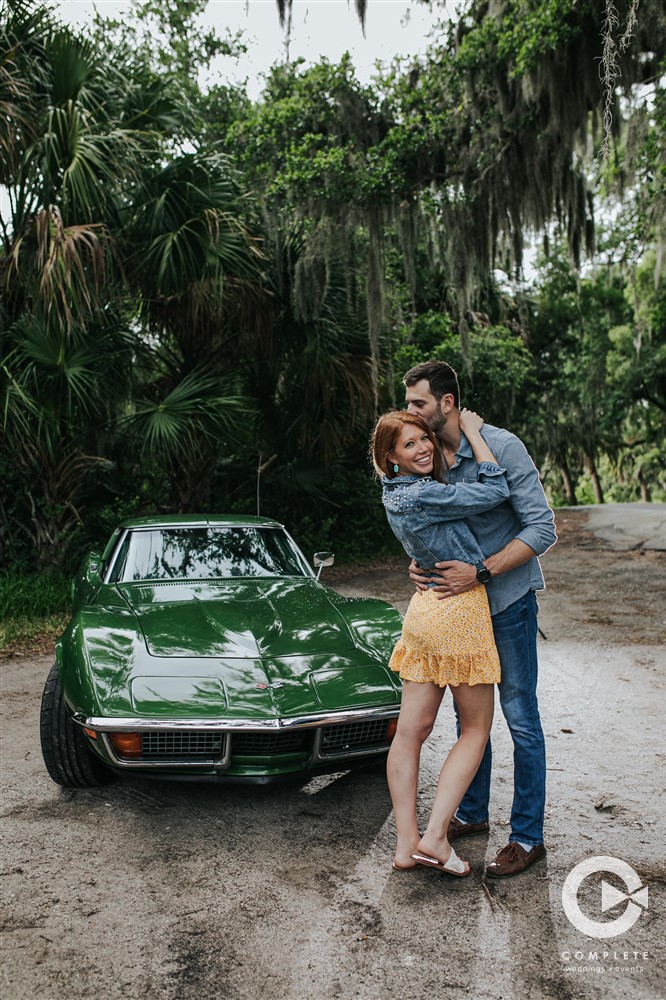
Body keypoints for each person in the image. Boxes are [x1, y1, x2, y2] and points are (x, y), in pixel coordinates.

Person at [403, 359, 557, 878]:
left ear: (447, 402)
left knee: (520, 717)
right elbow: (429, 518)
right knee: (471, 723)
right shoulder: (429, 457)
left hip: (507, 601)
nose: (411, 414)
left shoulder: (502, 446)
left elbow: (541, 528)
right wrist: (419, 559)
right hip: (459, 612)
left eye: (418, 403)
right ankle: (471, 813)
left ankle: (527, 837)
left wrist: (481, 573)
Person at [371, 408, 510, 875]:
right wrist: (472, 431)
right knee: (474, 730)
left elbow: (426, 543)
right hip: (458, 608)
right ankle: (435, 837)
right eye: (409, 445)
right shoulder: (426, 493)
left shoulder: (394, 493)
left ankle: (405, 844)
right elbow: (495, 489)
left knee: (411, 732)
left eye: (424, 438)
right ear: (390, 457)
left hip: (425, 607)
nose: (424, 448)